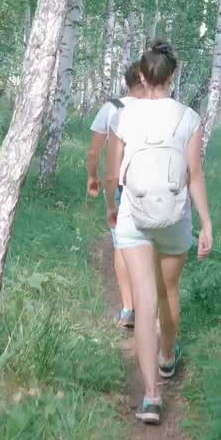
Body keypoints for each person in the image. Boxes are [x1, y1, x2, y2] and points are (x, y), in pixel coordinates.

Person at [105, 40, 213, 425]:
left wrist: (114, 207)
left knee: (145, 302)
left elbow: (114, 171)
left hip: (135, 217)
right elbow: (194, 175)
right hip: (174, 217)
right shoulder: (188, 118)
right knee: (169, 292)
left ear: (142, 74)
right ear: (172, 76)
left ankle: (151, 398)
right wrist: (207, 223)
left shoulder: (123, 115)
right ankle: (168, 357)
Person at [87, 62, 146, 328]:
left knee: (122, 245)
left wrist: (92, 177)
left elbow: (94, 152)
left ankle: (128, 310)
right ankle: (152, 308)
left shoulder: (113, 107)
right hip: (154, 188)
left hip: (121, 186)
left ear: (127, 82)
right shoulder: (160, 109)